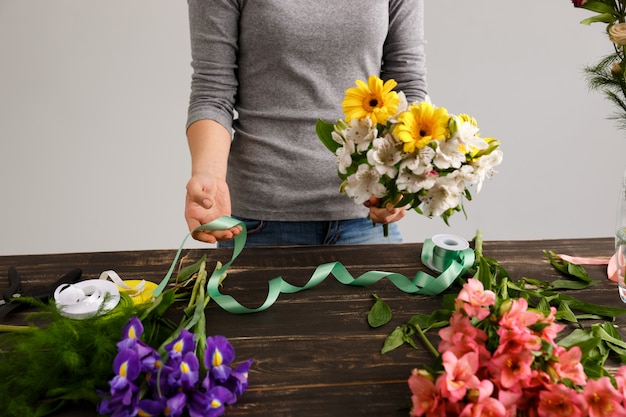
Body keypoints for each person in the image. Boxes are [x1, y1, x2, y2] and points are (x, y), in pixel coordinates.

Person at [184, 0, 428, 247]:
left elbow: (406, 87)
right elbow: (213, 92)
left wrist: (399, 182)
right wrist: (209, 177)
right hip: (260, 222)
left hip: (366, 216)